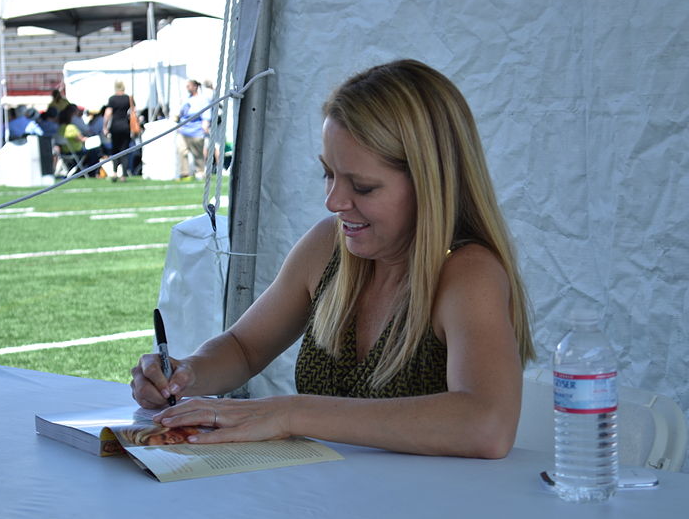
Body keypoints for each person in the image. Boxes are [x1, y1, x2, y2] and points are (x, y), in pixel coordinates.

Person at [131, 59, 535, 459]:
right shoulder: (329, 246)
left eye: (362, 186)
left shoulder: (467, 271)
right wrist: (186, 373)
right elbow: (243, 348)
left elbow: (487, 424)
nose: (334, 201)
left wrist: (291, 413)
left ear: (429, 184)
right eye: (328, 173)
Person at [175, 79, 210, 180]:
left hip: (196, 131)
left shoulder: (203, 99)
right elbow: (181, 113)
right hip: (183, 130)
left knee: (197, 154)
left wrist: (205, 124)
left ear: (195, 86)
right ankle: (184, 173)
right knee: (182, 151)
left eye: (189, 86)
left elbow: (206, 114)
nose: (187, 88)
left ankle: (200, 172)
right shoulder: (186, 99)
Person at [102, 80, 135, 181]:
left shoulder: (112, 99)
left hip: (115, 127)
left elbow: (108, 113)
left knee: (115, 150)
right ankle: (124, 175)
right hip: (125, 126)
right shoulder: (128, 98)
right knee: (124, 150)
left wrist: (105, 127)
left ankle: (115, 173)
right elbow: (133, 111)